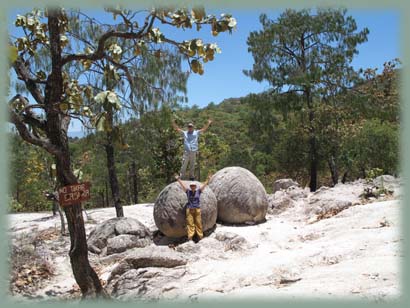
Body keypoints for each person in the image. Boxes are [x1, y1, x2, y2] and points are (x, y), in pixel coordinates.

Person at [175, 173, 212, 242]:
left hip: (197, 209)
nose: (193, 187)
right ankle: (190, 237)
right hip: (189, 209)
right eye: (191, 186)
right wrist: (178, 179)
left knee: (198, 223)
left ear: (195, 186)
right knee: (190, 223)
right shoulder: (188, 191)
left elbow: (204, 185)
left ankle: (200, 236)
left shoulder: (198, 191)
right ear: (190, 186)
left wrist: (208, 179)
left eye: (194, 186)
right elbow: (182, 185)